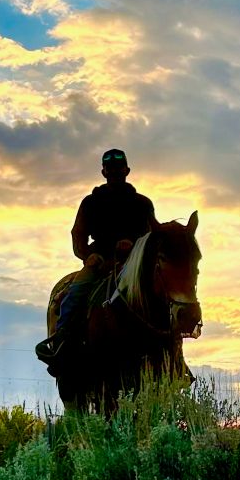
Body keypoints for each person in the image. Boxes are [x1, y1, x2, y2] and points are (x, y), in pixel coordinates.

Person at [35, 148, 157, 371]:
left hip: (134, 264)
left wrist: (134, 247)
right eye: (110, 169)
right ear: (103, 172)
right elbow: (78, 235)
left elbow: (152, 236)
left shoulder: (143, 204)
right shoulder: (91, 202)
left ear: (127, 170)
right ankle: (61, 346)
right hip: (100, 262)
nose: (114, 172)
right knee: (72, 294)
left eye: (119, 168)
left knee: (161, 297)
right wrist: (88, 255)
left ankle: (174, 358)